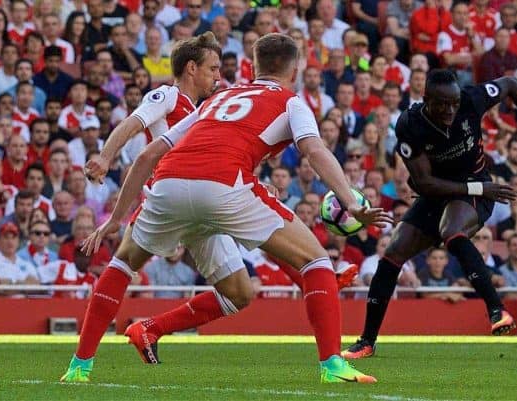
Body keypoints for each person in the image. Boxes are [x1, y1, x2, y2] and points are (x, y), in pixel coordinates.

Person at [64, 33, 391, 384]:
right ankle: (332, 364)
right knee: (316, 261)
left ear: (252, 66)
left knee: (127, 265)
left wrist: (116, 220)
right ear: (295, 69)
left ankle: (79, 367)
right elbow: (314, 150)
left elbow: (148, 155)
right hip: (223, 186)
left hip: (169, 184)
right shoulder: (290, 100)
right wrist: (351, 201)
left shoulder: (216, 100)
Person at [342, 69, 517, 359]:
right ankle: (367, 341)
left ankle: (497, 310)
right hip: (452, 191)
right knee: (393, 252)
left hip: (473, 194)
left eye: (454, 103)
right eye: (442, 104)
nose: (450, 110)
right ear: (425, 98)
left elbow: (510, 84)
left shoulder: (471, 99)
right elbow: (423, 183)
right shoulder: (410, 125)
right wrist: (481, 188)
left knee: (451, 232)